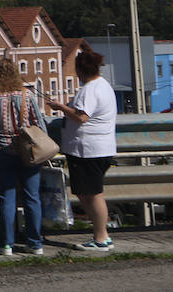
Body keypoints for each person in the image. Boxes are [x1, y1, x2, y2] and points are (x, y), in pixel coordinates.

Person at [0, 57, 47, 255]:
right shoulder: (27, 95)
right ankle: (35, 243)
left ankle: (6, 244)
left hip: (2, 150)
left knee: (7, 198)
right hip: (28, 152)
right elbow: (40, 126)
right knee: (32, 197)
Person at [47, 48, 117, 252]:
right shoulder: (102, 85)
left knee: (93, 194)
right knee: (88, 193)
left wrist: (60, 107)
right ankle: (101, 234)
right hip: (98, 148)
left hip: (87, 150)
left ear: (81, 69)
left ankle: (101, 237)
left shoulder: (90, 90)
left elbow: (81, 116)